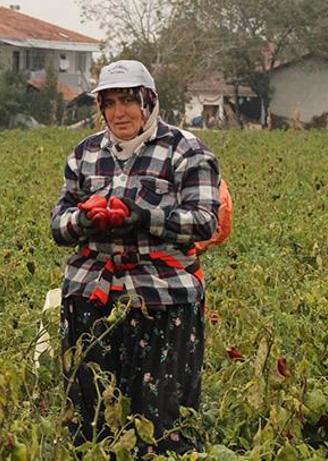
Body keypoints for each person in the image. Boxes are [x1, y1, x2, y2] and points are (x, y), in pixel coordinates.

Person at [50, 60, 221, 455]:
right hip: (93, 295)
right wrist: (87, 218)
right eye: (109, 103)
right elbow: (58, 227)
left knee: (161, 420)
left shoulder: (185, 151)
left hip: (163, 298)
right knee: (91, 417)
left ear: (149, 102)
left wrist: (143, 215)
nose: (119, 112)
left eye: (128, 100)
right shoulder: (85, 154)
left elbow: (205, 223)